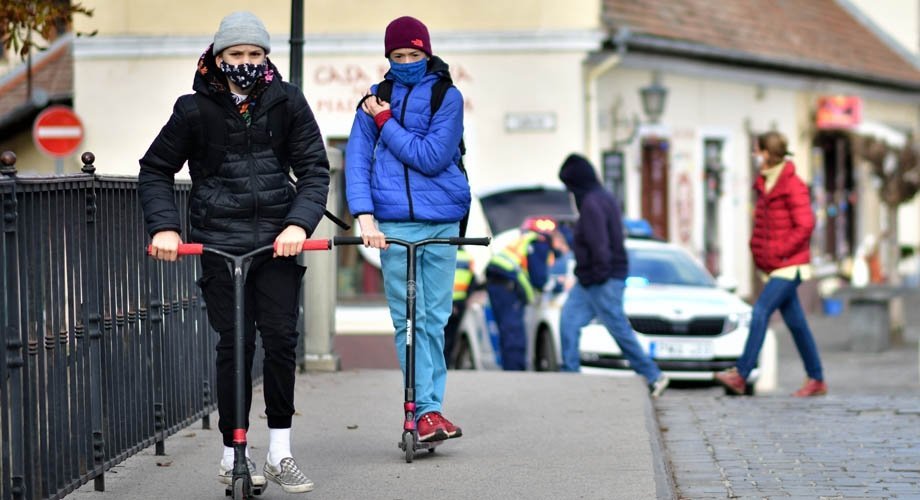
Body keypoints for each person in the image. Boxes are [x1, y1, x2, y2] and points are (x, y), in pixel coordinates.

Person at [139, 11, 328, 493]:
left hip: (277, 243)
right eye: (236, 54)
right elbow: (156, 169)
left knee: (282, 340)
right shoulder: (193, 110)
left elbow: (314, 170)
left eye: (254, 54)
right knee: (236, 344)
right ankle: (232, 452)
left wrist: (297, 224)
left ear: (266, 57)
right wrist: (164, 227)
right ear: (219, 58)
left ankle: (281, 451)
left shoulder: (287, 102)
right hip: (220, 243)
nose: (245, 62)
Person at [344, 16, 470, 443]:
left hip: (442, 221)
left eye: (414, 55)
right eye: (398, 56)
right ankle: (419, 411)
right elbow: (357, 163)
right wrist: (365, 218)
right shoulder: (373, 99)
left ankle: (430, 412)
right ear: (388, 58)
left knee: (433, 320)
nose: (406, 62)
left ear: (427, 53)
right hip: (394, 223)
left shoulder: (446, 96)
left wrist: (386, 124)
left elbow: (434, 156)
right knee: (407, 322)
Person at [715, 131, 827, 397]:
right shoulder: (764, 183)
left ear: (766, 153)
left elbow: (806, 224)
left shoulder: (792, 184)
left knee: (760, 311)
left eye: (756, 150)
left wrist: (779, 251)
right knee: (796, 323)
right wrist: (758, 250)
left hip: (790, 265)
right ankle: (817, 378)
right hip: (775, 266)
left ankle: (741, 374)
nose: (754, 155)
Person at [557, 154, 669, 397]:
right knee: (568, 321)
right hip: (592, 279)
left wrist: (597, 274)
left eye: (569, 186)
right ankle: (569, 375)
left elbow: (600, 245)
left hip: (601, 279)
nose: (569, 193)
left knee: (618, 329)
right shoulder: (603, 198)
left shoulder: (592, 204)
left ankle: (653, 375)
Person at [485, 217, 566, 371]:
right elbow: (539, 280)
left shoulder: (525, 239)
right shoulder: (540, 243)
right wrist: (558, 285)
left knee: (506, 331)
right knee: (514, 333)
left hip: (497, 284)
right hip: (509, 288)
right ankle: (515, 372)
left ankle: (509, 369)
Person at [444, 247, 476, 367]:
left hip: (441, 301)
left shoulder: (443, 253)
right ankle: (446, 364)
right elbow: (473, 281)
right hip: (459, 302)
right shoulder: (468, 258)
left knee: (437, 333)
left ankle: (438, 364)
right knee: (451, 336)